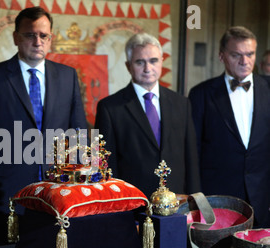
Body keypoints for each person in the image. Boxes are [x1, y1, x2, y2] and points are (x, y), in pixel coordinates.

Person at [0, 7, 87, 245]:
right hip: (8, 200)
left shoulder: (67, 76)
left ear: (51, 39)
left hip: (58, 195)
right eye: (30, 35)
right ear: (16, 38)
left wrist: (79, 187)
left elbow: (77, 137)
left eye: (43, 36)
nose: (37, 41)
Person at [95, 33, 200, 199]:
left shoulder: (182, 103)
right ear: (128, 66)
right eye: (139, 62)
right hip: (132, 202)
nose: (147, 68)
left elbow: (191, 160)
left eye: (153, 61)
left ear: (162, 61)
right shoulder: (109, 108)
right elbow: (104, 166)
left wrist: (195, 200)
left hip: (177, 202)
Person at [189, 26, 270, 228]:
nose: (245, 61)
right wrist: (198, 199)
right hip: (218, 200)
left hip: (263, 198)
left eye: (250, 54)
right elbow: (193, 151)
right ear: (221, 56)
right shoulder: (201, 94)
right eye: (236, 55)